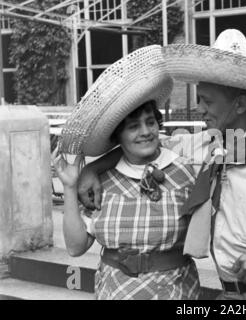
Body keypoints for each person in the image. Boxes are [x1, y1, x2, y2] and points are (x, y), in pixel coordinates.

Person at [77, 30, 246, 300]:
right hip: (233, 295)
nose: (199, 109)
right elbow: (147, 145)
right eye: (199, 99)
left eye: (207, 101)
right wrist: (93, 169)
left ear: (240, 104)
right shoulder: (204, 146)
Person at [53, 45, 200, 300]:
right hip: (116, 292)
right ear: (117, 136)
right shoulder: (100, 183)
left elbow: (239, 145)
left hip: (177, 293)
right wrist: (69, 187)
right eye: (133, 126)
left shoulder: (186, 169)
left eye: (150, 122)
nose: (145, 132)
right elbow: (76, 247)